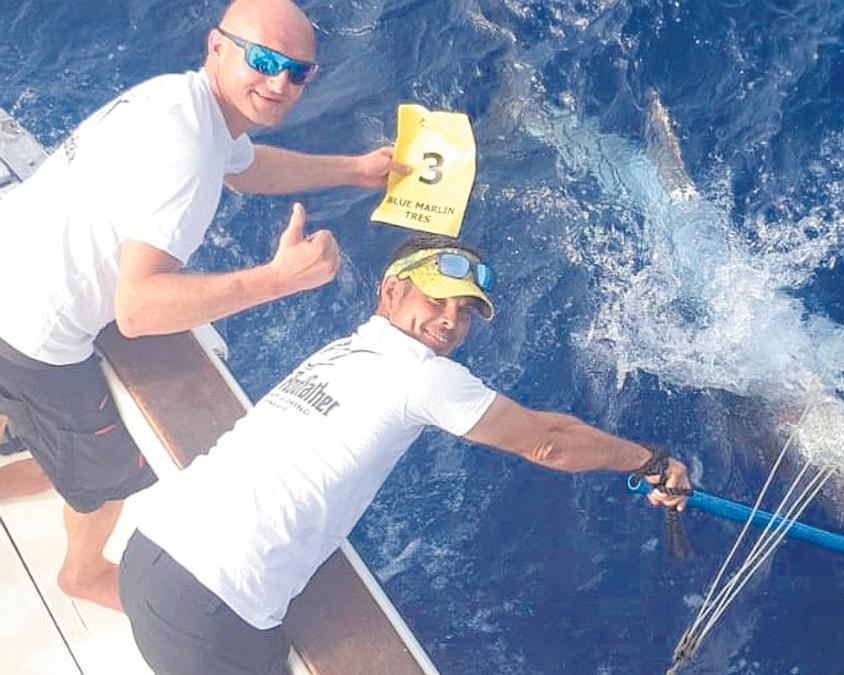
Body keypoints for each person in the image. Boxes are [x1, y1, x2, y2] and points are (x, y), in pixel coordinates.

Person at [117, 233, 692, 675]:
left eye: (464, 312)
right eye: (437, 300)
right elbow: (548, 442)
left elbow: (544, 428)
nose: (450, 320)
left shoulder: (344, 351)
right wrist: (648, 463)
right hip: (208, 611)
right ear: (391, 291)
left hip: (147, 554)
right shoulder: (421, 377)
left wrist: (645, 458)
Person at [0, 0, 408, 611]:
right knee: (110, 473)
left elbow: (241, 168)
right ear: (217, 45)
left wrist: (352, 171)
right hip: (31, 334)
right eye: (265, 60)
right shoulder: (187, 155)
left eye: (299, 72)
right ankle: (82, 575)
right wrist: (279, 278)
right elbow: (137, 310)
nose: (279, 82)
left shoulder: (182, 101)